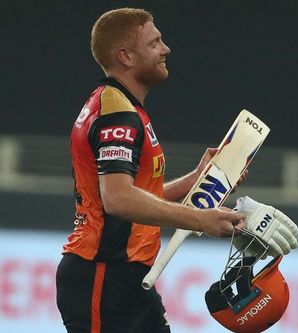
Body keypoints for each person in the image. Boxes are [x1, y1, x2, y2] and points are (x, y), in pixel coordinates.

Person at [55, 8, 248, 333]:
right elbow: (117, 200)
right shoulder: (119, 116)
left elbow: (131, 199)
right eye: (154, 42)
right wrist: (202, 220)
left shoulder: (120, 106)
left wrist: (196, 179)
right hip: (103, 277)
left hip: (127, 279)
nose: (165, 49)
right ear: (126, 56)